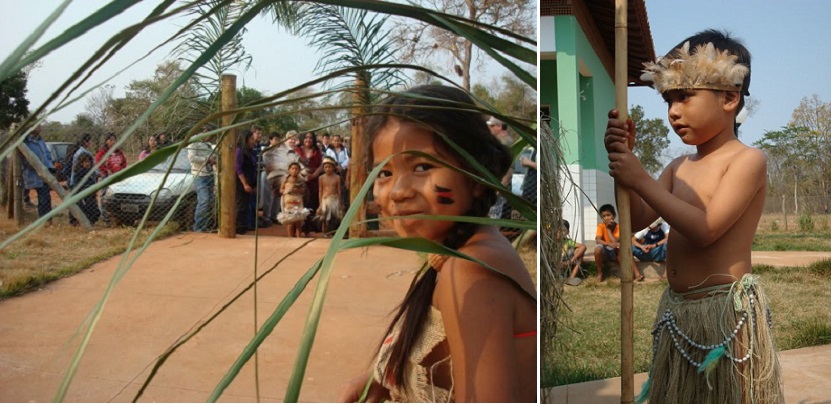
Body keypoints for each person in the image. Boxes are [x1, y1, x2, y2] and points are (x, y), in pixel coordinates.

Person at [604, 29, 783, 402]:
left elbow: (706, 229)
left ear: (730, 97)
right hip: (679, 313)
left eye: (684, 97)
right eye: (668, 100)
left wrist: (639, 176)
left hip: (724, 316)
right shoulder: (677, 166)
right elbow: (637, 219)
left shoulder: (747, 161)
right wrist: (625, 165)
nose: (673, 111)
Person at [338, 85, 536, 402]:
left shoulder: (472, 270)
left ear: (475, 175)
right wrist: (380, 379)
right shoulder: (459, 254)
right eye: (385, 172)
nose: (398, 191)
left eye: (422, 167)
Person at [594, 204, 644, 283]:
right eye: (604, 216)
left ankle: (636, 274)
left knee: (621, 249)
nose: (606, 218)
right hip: (605, 251)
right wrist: (608, 244)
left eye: (608, 215)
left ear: (614, 216)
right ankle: (600, 272)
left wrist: (608, 230)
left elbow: (615, 241)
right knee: (597, 249)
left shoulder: (619, 227)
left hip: (616, 252)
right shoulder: (600, 226)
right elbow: (598, 240)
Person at [21, 125, 55, 220]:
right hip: (32, 173)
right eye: (37, 126)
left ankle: (47, 219)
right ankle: (44, 219)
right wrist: (33, 166)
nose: (39, 128)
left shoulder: (40, 141)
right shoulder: (25, 142)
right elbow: (24, 158)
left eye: (40, 126)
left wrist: (50, 166)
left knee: (46, 198)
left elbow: (47, 154)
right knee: (43, 198)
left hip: (44, 173)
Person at [187, 126, 216, 232]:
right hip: (200, 175)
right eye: (209, 135)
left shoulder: (208, 144)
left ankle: (205, 225)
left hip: (209, 174)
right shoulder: (195, 141)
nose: (210, 138)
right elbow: (191, 158)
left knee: (209, 201)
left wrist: (214, 160)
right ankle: (198, 227)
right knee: (204, 200)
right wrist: (207, 159)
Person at [95, 133, 127, 223]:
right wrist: (106, 170)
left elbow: (124, 162)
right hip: (107, 176)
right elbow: (98, 162)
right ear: (106, 141)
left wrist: (122, 169)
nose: (113, 142)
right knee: (104, 195)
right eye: (111, 140)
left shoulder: (118, 151)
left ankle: (118, 214)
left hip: (118, 176)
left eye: (114, 140)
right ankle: (104, 215)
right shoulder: (103, 152)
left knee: (118, 194)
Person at [296, 131, 323, 234]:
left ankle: (309, 229)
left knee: (311, 205)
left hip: (313, 182)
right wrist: (301, 176)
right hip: (299, 182)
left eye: (311, 138)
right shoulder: (296, 150)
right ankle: (297, 230)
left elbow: (321, 166)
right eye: (306, 137)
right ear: (303, 139)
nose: (308, 140)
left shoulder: (317, 151)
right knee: (298, 205)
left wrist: (313, 176)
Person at [235, 129, 258, 234]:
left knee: (246, 205)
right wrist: (245, 184)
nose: (254, 141)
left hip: (250, 182)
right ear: (246, 139)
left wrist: (254, 184)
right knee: (241, 206)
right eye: (252, 139)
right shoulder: (239, 150)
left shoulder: (251, 151)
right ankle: (238, 228)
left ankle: (244, 227)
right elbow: (238, 168)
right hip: (241, 183)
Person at [277, 162, 307, 238]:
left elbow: (303, 191)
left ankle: (298, 237)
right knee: (290, 220)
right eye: (292, 168)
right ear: (289, 170)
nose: (294, 170)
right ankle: (290, 237)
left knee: (298, 220)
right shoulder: (285, 179)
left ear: (299, 170)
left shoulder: (300, 180)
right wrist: (286, 190)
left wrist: (297, 190)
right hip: (288, 201)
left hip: (297, 201)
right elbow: (281, 190)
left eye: (296, 169)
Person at [69, 152, 100, 225]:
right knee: (81, 208)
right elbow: (76, 185)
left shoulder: (91, 172)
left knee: (95, 211)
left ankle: (90, 222)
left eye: (89, 161)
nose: (88, 163)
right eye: (85, 161)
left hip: (90, 194)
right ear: (81, 162)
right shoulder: (79, 172)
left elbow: (93, 182)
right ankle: (77, 221)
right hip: (82, 194)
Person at [316, 156, 342, 235]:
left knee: (334, 216)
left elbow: (339, 190)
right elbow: (320, 191)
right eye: (326, 167)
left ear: (334, 167)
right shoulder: (321, 178)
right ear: (323, 168)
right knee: (325, 216)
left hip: (335, 198)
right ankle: (324, 231)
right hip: (325, 199)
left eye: (330, 167)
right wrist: (320, 203)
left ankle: (332, 231)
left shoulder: (337, 177)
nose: (328, 169)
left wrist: (340, 202)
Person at [324, 133, 350, 210]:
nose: (336, 142)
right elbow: (327, 159)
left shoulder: (344, 150)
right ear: (332, 141)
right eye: (335, 141)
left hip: (342, 171)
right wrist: (334, 166)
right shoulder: (329, 150)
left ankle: (343, 205)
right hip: (333, 171)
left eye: (338, 141)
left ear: (340, 141)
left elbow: (348, 159)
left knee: (343, 188)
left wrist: (342, 166)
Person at [562, 220, 587, 286]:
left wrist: (571, 261)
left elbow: (583, 247)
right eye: (558, 230)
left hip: (566, 263)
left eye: (563, 231)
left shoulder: (568, 242)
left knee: (579, 251)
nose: (560, 233)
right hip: (556, 265)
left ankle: (572, 277)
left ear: (567, 232)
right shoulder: (550, 242)